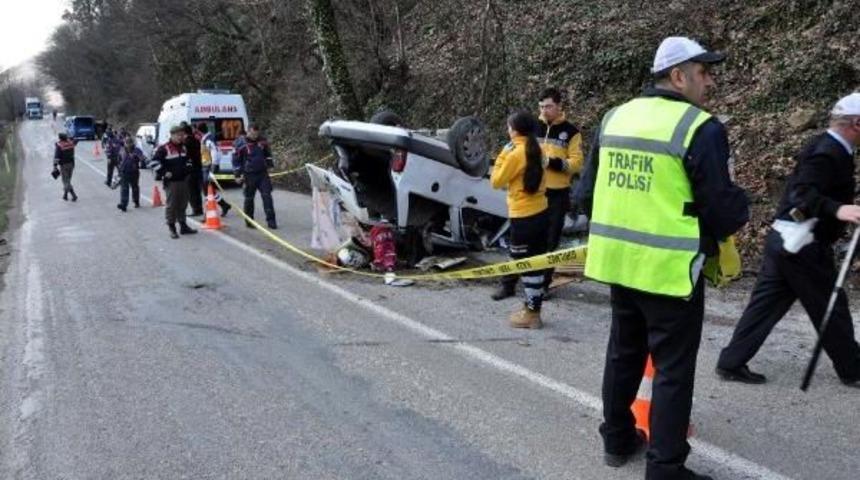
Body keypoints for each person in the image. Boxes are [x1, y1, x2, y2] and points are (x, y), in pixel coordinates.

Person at [575, 37, 749, 480]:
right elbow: (722, 210)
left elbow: (585, 196)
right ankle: (666, 468)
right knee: (672, 370)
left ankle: (616, 440)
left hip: (618, 263)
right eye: (703, 72)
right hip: (671, 272)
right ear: (678, 76)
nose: (709, 81)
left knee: (623, 354)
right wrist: (740, 206)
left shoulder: (614, 118)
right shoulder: (700, 127)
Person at [717, 93, 860, 388]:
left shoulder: (833, 146)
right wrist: (838, 209)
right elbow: (802, 194)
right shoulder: (827, 152)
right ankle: (853, 370)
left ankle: (731, 362)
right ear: (856, 123)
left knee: (767, 304)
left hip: (785, 241)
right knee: (831, 306)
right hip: (802, 243)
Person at [491, 88, 584, 301]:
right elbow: (516, 150)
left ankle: (542, 286)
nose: (545, 111)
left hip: (557, 193)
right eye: (541, 107)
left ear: (559, 105)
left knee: (549, 243)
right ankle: (508, 284)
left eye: (549, 106)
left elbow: (577, 164)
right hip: (530, 194)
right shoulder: (532, 127)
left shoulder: (571, 132)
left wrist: (551, 163)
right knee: (518, 241)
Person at [490, 111, 549, 329]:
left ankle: (532, 314)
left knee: (525, 263)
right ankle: (532, 309)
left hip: (523, 216)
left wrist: (503, 155)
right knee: (535, 262)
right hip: (542, 212)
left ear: (514, 130)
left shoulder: (515, 153)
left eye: (508, 127)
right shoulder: (539, 149)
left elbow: (496, 181)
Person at [153, 125, 198, 239]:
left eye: (182, 135)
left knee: (183, 204)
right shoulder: (164, 148)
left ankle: (183, 226)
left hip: (184, 180)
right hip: (171, 183)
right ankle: (172, 228)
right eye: (178, 135)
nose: (181, 137)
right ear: (172, 135)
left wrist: (188, 168)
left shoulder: (183, 148)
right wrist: (163, 172)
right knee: (172, 205)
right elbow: (153, 163)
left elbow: (189, 161)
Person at [233, 125, 277, 229]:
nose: (254, 136)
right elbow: (236, 160)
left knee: (267, 197)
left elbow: (267, 154)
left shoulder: (262, 141)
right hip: (249, 175)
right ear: (248, 132)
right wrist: (237, 175)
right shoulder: (241, 143)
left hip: (262, 174)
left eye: (256, 134)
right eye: (253, 134)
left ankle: (271, 221)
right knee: (249, 199)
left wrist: (270, 166)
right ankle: (249, 221)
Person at [199, 123, 231, 216]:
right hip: (207, 165)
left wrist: (212, 169)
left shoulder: (208, 139)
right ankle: (224, 205)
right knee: (209, 189)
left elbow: (215, 153)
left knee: (207, 190)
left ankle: (208, 213)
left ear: (199, 131)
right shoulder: (206, 138)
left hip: (209, 166)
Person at [116, 137, 144, 212]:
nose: (128, 145)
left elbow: (142, 158)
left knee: (135, 187)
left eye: (129, 143)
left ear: (132, 143)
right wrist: (119, 170)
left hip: (134, 172)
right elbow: (119, 160)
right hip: (124, 172)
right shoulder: (122, 150)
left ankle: (136, 201)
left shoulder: (137, 150)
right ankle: (123, 205)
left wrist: (136, 157)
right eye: (126, 143)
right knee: (124, 189)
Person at [183, 123, 204, 216]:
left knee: (191, 191)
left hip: (190, 169)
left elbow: (186, 157)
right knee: (197, 191)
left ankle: (195, 209)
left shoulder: (186, 143)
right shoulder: (196, 140)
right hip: (198, 167)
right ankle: (199, 208)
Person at [53, 133, 78, 202]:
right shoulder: (71, 143)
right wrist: (70, 138)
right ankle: (65, 195)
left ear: (60, 138)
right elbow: (76, 140)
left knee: (65, 181)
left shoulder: (59, 145)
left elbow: (57, 157)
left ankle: (74, 195)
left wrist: (55, 166)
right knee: (68, 180)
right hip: (71, 164)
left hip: (64, 166)